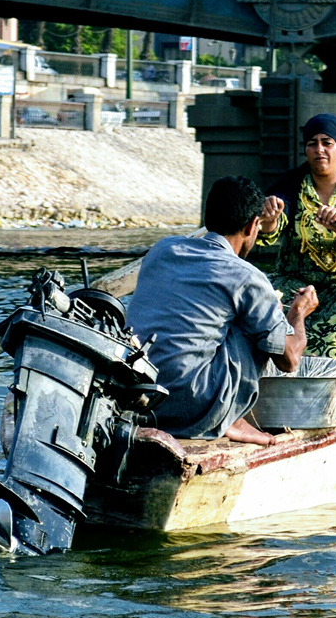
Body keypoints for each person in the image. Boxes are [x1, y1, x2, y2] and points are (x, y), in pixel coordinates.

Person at [127, 175, 319, 446]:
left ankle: (228, 415)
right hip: (193, 408)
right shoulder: (247, 277)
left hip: (138, 396)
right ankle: (230, 417)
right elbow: (289, 359)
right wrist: (297, 314)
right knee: (258, 324)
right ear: (254, 225)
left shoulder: (162, 249)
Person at [251, 113, 336, 361]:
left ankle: (331, 388)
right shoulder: (291, 187)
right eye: (312, 143)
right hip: (294, 280)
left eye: (327, 142)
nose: (319, 149)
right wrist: (270, 218)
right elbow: (270, 232)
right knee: (262, 312)